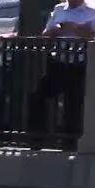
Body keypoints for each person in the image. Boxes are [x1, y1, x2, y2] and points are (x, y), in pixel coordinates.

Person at [28, 0, 95, 138]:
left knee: (74, 103)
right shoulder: (59, 9)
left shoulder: (91, 12)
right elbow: (45, 35)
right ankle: (37, 136)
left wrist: (76, 29)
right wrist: (57, 30)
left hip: (80, 64)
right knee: (37, 97)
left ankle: (70, 140)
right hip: (58, 62)